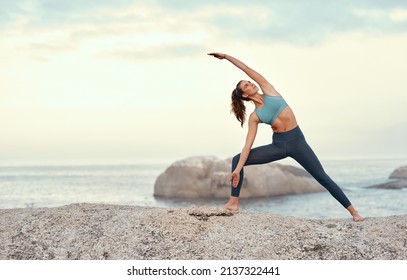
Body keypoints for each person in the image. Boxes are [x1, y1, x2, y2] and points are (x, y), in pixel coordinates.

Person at [208, 52, 364, 222]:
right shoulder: (255, 116)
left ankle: (354, 212)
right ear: (244, 95)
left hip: (297, 142)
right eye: (247, 85)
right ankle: (233, 203)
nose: (251, 83)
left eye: (249, 81)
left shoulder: (268, 89)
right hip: (279, 146)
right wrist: (238, 169)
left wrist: (226, 57)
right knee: (237, 159)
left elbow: (245, 68)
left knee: (322, 177)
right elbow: (248, 145)